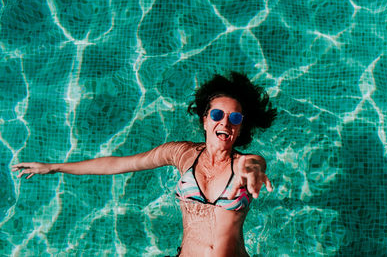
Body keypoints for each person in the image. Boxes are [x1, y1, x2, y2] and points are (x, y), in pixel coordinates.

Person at [12, 72, 277, 256]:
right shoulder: (181, 154)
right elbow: (119, 164)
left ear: (241, 128)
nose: (226, 123)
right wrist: (55, 167)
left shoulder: (244, 163)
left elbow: (254, 164)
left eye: (235, 118)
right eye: (218, 114)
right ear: (205, 120)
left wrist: (253, 171)